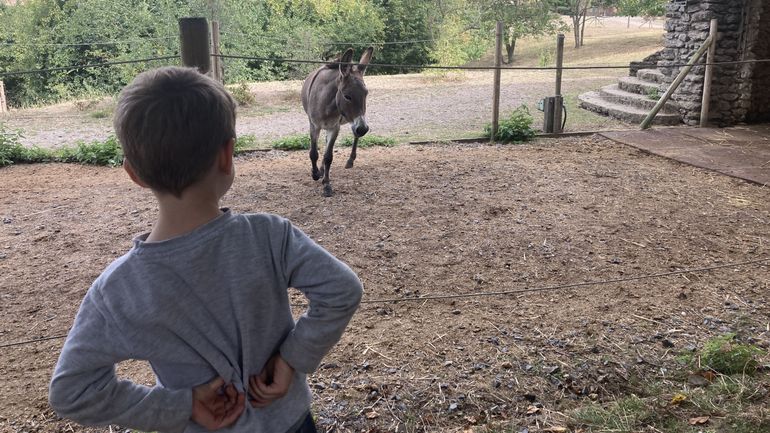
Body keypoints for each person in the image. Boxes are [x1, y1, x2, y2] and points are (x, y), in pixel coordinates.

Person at [48, 66, 363, 433]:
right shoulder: (270, 236)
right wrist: (292, 359)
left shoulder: (117, 289)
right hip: (290, 420)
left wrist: (178, 405)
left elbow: (71, 390)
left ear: (133, 173)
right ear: (227, 156)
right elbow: (343, 290)